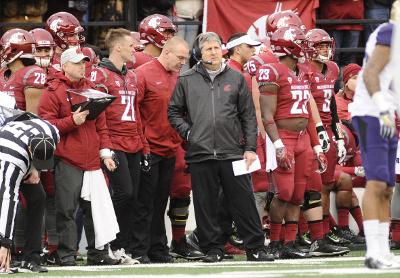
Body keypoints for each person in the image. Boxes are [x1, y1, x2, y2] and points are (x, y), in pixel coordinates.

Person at [168, 32, 274, 263]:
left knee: (244, 200)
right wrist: (188, 133)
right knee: (205, 205)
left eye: (217, 47)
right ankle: (213, 249)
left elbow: (248, 117)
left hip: (234, 152)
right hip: (199, 153)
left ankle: (255, 248)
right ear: (199, 53)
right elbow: (174, 112)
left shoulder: (236, 78)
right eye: (208, 49)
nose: (214, 52)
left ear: (223, 50)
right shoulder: (186, 79)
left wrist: (250, 148)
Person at [37, 48, 119, 267]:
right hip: (67, 159)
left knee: (96, 210)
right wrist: (72, 122)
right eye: (76, 63)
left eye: (83, 62)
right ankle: (66, 255)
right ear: (64, 66)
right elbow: (45, 127)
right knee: (66, 210)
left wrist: (106, 153)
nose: (82, 66)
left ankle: (97, 253)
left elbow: (102, 126)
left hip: (93, 160)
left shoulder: (91, 88)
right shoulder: (52, 91)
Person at [257, 26, 327, 259]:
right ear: (288, 45)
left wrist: (317, 146)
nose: (305, 46)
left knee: (298, 194)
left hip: (303, 139)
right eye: (300, 42)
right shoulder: (271, 71)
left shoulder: (303, 71)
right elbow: (267, 116)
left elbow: (306, 111)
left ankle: (289, 243)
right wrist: (277, 145)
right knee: (283, 192)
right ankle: (275, 242)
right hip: (282, 137)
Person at [90, 28, 149, 265]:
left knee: (132, 196)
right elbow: (98, 116)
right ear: (118, 47)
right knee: (123, 193)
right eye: (131, 44)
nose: (135, 48)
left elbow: (136, 114)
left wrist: (144, 147)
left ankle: (121, 247)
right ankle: (107, 244)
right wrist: (104, 148)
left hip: (133, 142)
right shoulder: (100, 75)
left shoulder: (132, 75)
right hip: (113, 142)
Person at [131, 36, 189, 263]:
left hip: (170, 148)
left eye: (185, 58)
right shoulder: (143, 74)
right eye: (180, 57)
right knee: (144, 202)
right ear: (167, 52)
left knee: (160, 202)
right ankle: (139, 249)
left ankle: (157, 248)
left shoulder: (178, 77)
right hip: (149, 148)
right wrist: (142, 144)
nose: (183, 62)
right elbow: (134, 112)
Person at [0, 28, 51, 272]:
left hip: (21, 149)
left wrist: (36, 165)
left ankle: (31, 255)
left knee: (36, 197)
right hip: (2, 147)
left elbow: (35, 119)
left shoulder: (33, 74)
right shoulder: (3, 73)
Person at [351, 17, 400, 268]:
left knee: (388, 187)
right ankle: (372, 252)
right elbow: (370, 73)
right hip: (372, 113)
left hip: (386, 113)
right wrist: (382, 109)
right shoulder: (392, 30)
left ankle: (383, 250)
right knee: (377, 182)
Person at [0, 117, 60, 273]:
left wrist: (36, 169)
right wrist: (4, 242)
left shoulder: (53, 132)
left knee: (38, 197)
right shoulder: (13, 158)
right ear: (30, 149)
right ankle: (6, 253)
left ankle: (30, 258)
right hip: (4, 154)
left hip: (20, 147)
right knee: (5, 203)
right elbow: (8, 199)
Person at [45, 11, 85, 77]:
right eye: (71, 36)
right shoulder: (47, 58)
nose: (76, 39)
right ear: (55, 36)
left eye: (77, 34)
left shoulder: (86, 53)